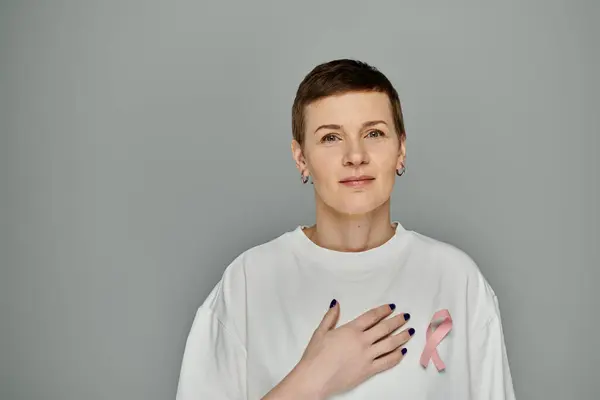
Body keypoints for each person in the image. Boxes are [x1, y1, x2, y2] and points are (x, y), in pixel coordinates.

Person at [175, 59, 516, 400]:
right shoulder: (248, 282)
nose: (355, 155)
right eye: (331, 137)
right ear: (301, 158)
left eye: (374, 133)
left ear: (401, 148)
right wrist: (311, 380)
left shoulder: (457, 280)